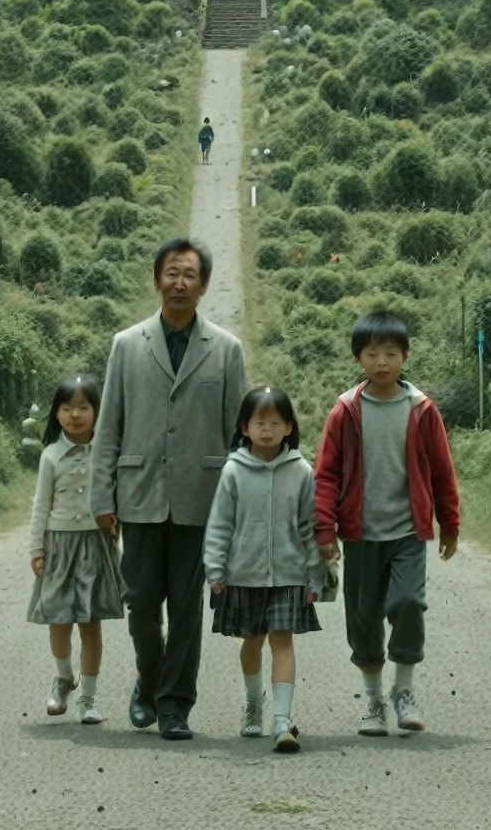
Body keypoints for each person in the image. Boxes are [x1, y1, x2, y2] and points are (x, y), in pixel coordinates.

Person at [90, 238, 248, 741]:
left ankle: (175, 704)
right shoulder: (126, 344)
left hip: (201, 499)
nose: (180, 283)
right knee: (139, 600)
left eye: (190, 276)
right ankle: (149, 678)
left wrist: (236, 504)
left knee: (185, 607)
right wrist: (102, 496)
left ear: (203, 286)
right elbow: (109, 425)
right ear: (156, 280)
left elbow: (236, 432)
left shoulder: (226, 349)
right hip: (138, 494)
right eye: (171, 274)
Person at [313, 310, 460, 737]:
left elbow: (441, 471)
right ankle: (374, 700)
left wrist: (449, 523)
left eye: (391, 353)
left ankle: (404, 691)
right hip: (360, 534)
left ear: (405, 356)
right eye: (373, 354)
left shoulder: (421, 410)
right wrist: (325, 530)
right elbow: (326, 475)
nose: (382, 362)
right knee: (363, 616)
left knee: (408, 604)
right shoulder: (346, 410)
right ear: (359, 359)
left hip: (407, 533)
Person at [203, 386, 324, 753]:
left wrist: (316, 573)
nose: (267, 429)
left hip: (289, 574)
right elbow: (220, 523)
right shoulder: (233, 471)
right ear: (245, 427)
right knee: (252, 641)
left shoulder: (302, 471)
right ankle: (254, 704)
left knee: (282, 639)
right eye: (259, 422)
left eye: (275, 422)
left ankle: (282, 720)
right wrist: (215, 568)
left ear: (289, 426)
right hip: (244, 573)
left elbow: (310, 525)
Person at [27, 376, 125, 724]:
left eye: (84, 407)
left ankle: (88, 699)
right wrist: (36, 549)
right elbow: (41, 505)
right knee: (59, 619)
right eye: (67, 408)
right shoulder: (51, 456)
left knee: (90, 622)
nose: (75, 415)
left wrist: (116, 531)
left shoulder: (109, 453)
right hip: (59, 545)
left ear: (98, 412)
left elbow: (120, 500)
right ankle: (63, 677)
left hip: (96, 545)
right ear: (56, 414)